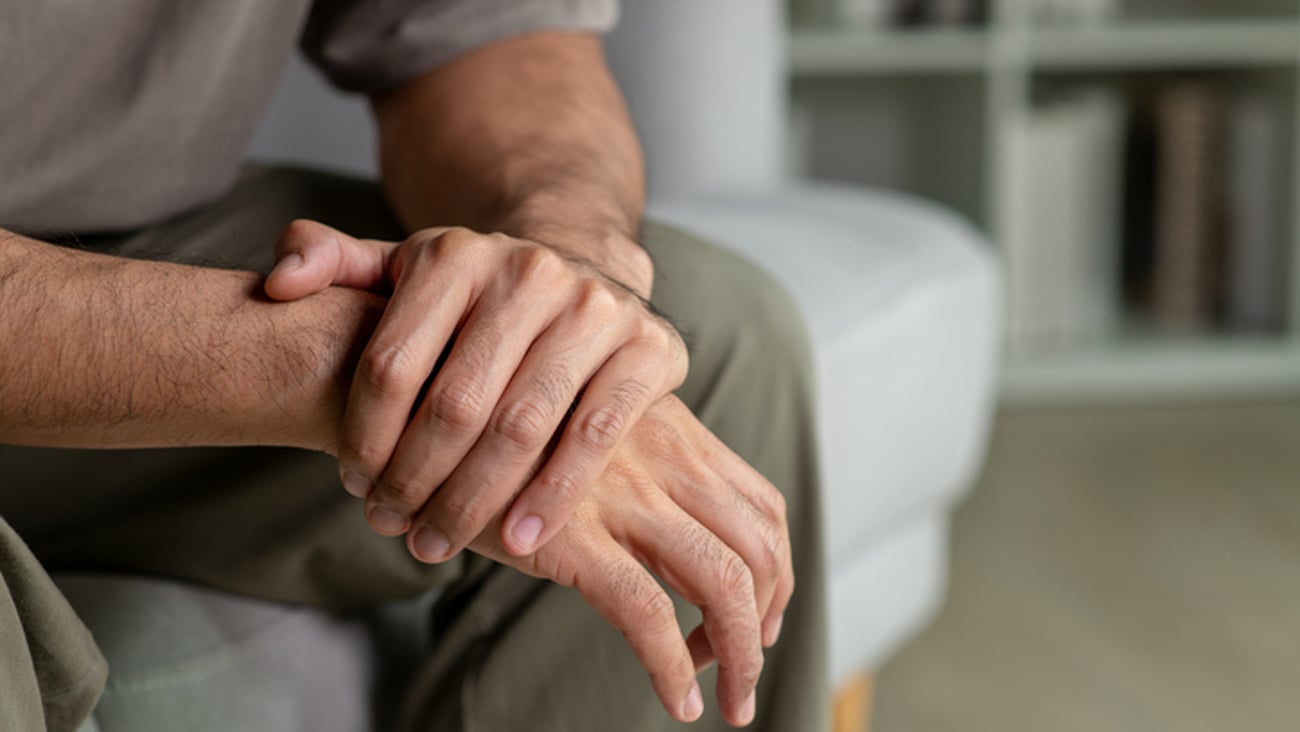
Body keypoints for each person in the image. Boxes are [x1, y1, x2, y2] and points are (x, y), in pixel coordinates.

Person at [0, 1, 829, 730]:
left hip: (117, 228)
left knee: (689, 350)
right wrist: (347, 363)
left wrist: (563, 289)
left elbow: (497, 42)